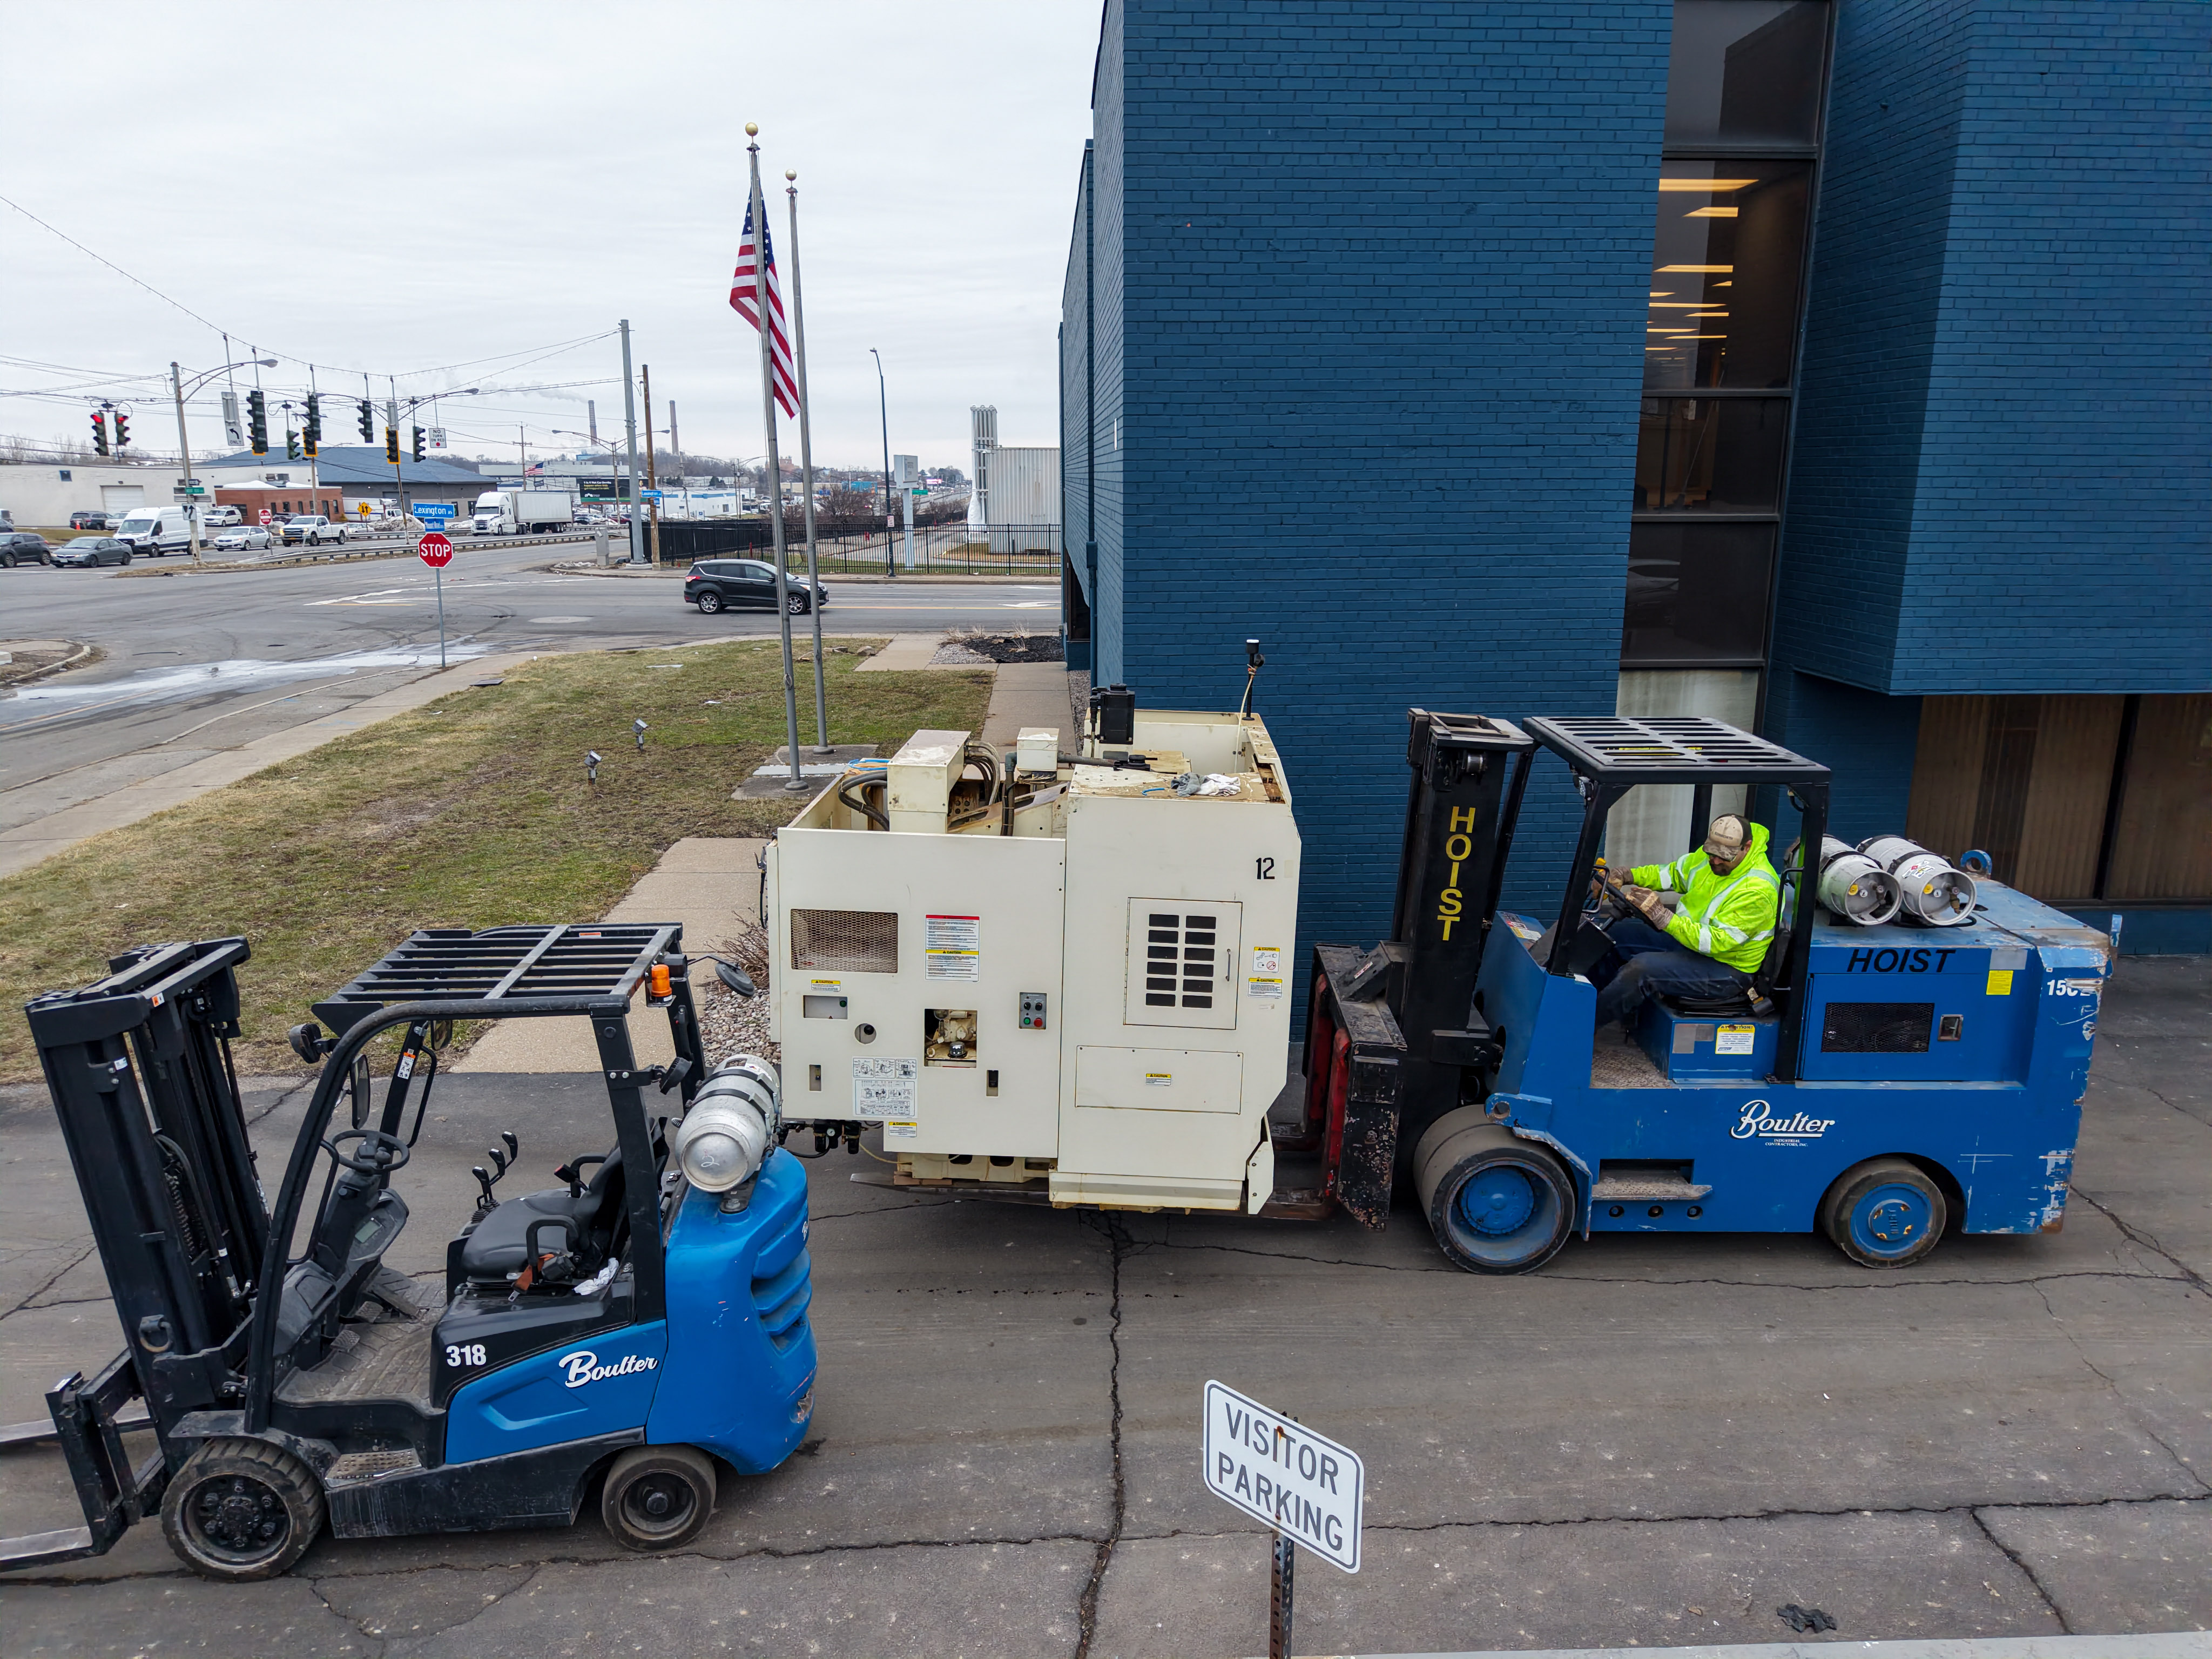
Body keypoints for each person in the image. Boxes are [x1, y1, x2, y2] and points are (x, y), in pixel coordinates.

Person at [1593, 814, 1780, 1030]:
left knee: (1641, 970)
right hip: (1689, 943)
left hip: (1727, 969)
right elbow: (1672, 874)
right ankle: (1581, 1004)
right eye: (1712, 853)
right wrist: (1627, 875)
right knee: (1611, 936)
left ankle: (1582, 1029)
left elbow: (1717, 943)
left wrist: (1664, 918)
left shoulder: (1758, 890)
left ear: (1746, 847)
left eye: (1724, 857)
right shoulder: (1708, 856)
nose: (1715, 861)